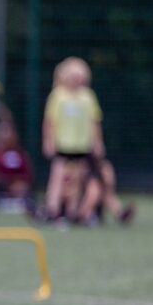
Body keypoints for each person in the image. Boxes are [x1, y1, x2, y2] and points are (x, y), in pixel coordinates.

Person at [42, 57, 111, 223]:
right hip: (63, 143)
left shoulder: (87, 97)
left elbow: (94, 121)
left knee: (77, 180)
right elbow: (50, 121)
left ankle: (72, 212)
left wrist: (98, 142)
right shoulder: (58, 95)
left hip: (81, 144)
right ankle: (52, 209)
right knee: (57, 176)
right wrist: (48, 141)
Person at [0, 125, 33, 211]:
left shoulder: (21, 154)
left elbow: (27, 173)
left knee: (21, 188)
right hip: (1, 186)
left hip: (18, 186)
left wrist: (18, 183)